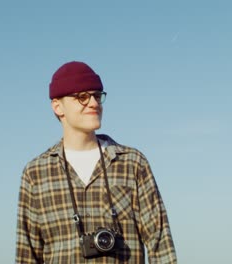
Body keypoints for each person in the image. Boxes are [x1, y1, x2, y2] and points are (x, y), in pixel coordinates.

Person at [16, 61, 177, 263]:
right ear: (58, 106)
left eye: (97, 96)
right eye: (82, 97)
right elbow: (27, 255)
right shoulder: (35, 174)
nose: (94, 103)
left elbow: (160, 245)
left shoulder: (132, 163)